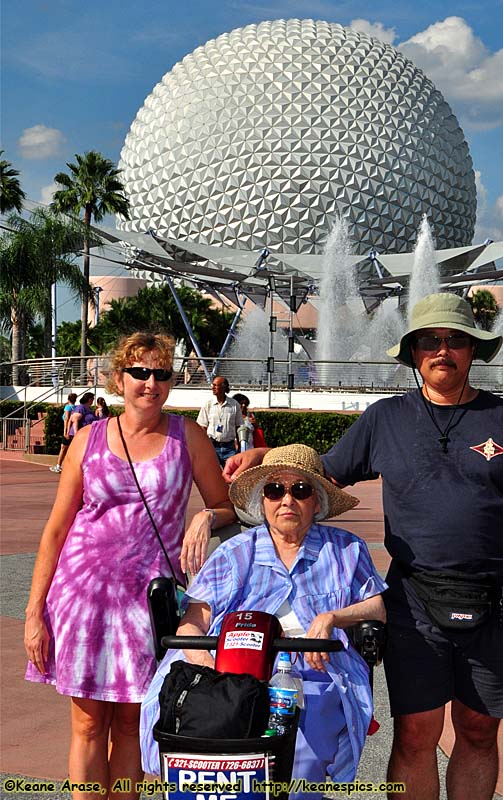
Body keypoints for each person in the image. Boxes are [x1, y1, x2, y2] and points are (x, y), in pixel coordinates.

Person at [224, 293, 503, 800]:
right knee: (415, 734)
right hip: (415, 601)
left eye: (456, 340)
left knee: (478, 731)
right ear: (412, 352)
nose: (442, 350)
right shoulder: (386, 419)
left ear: (474, 350)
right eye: (430, 340)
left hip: (498, 602)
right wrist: (263, 457)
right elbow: (319, 471)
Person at [25, 332, 236, 800]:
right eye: (140, 372)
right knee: (86, 722)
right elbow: (56, 530)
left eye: (162, 373)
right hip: (82, 598)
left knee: (131, 722)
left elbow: (227, 506)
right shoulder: (88, 439)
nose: (151, 383)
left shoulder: (189, 437)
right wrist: (34, 612)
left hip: (148, 601)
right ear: (119, 379)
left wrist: (204, 515)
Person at [140, 444, 387, 797]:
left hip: (314, 670)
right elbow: (193, 622)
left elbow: (376, 607)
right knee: (203, 736)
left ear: (316, 502)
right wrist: (210, 668)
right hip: (230, 668)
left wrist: (332, 617)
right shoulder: (235, 552)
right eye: (275, 490)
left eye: (300, 490)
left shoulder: (345, 549)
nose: (287, 500)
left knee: (299, 758)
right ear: (262, 501)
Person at [197, 375, 243, 466]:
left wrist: (239, 445)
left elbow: (239, 426)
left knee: (230, 476)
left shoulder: (234, 405)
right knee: (213, 476)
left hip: (230, 448)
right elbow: (202, 427)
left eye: (215, 385)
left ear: (223, 387)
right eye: (212, 385)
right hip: (212, 447)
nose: (213, 388)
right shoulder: (208, 404)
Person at [49, 392, 78, 473]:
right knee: (70, 449)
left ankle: (58, 466)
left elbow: (66, 419)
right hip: (74, 431)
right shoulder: (76, 408)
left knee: (63, 448)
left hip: (69, 431)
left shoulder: (68, 407)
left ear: (68, 399)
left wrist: (65, 431)